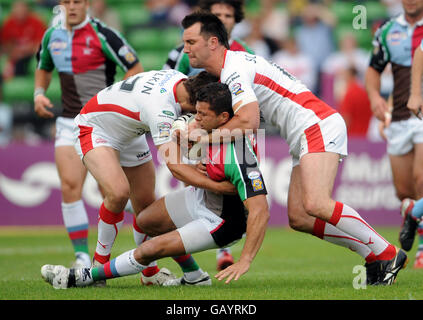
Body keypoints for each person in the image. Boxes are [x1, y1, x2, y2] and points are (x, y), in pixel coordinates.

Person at [180, 11, 408, 285]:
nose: (186, 49)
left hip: (315, 123)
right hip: (304, 131)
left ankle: (387, 252)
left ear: (213, 42)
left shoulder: (234, 69)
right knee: (299, 217)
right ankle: (373, 257)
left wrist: (204, 139)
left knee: (316, 203)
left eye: (191, 42)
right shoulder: (231, 69)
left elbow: (248, 121)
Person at [41, 81, 270, 288]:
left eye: (202, 115)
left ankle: (86, 277)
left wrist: (245, 260)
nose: (195, 119)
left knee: (149, 249)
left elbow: (260, 210)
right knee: (145, 220)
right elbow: (188, 136)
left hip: (221, 220)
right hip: (201, 197)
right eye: (195, 112)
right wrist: (185, 138)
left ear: (223, 118)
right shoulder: (207, 127)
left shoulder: (239, 154)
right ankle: (195, 277)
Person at [71, 69, 235, 286]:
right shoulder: (161, 109)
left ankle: (154, 275)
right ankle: (97, 268)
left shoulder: (180, 79)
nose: (197, 118)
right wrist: (213, 183)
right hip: (95, 127)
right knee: (118, 193)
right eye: (196, 112)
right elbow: (175, 167)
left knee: (147, 213)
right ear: (191, 101)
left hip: (130, 131)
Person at [34, 0, 143, 270]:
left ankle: (147, 218)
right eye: (67, 2)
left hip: (102, 123)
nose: (72, 7)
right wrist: (38, 94)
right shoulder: (51, 36)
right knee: (70, 187)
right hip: (69, 121)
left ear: (87, 5)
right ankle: (82, 257)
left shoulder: (104, 34)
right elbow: (43, 67)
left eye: (77, 2)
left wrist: (118, 103)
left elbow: (135, 68)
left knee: (115, 192)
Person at [164, 0, 253, 271]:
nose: (224, 19)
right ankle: (198, 246)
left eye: (229, 15)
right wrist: (182, 126)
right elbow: (169, 88)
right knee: (195, 182)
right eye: (218, 15)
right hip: (193, 124)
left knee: (220, 185)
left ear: (235, 21)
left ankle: (221, 247)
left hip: (225, 127)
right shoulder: (183, 52)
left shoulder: (243, 54)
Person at [364, 0, 423, 268]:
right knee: (405, 191)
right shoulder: (387, 31)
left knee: (422, 180)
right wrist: (376, 97)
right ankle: (413, 213)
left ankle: (422, 248)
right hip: (398, 117)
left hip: (420, 117)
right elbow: (374, 68)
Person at [0, 1, 46, 80]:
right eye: (17, 9)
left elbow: (42, 44)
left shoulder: (36, 21)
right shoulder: (8, 23)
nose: (20, 11)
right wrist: (15, 51)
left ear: (27, 9)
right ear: (13, 10)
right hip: (14, 55)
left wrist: (25, 50)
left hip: (31, 56)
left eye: (22, 8)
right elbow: (5, 45)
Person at [338, 67, 372, 138]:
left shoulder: (349, 93)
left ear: (349, 76)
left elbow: (346, 118)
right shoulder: (364, 92)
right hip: (365, 135)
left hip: (352, 136)